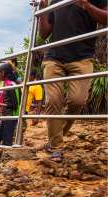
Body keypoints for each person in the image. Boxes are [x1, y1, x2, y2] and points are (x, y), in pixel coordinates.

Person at [38, 0, 107, 162]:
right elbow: (44, 34)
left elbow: (106, 19)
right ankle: (56, 147)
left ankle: (55, 138)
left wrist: (86, 5)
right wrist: (42, 9)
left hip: (82, 58)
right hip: (53, 57)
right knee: (53, 100)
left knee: (77, 101)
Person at [0, 63, 20, 154]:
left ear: (3, 73)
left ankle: (5, 161)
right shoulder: (9, 84)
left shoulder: (10, 86)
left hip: (10, 117)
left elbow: (13, 105)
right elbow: (9, 100)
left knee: (7, 141)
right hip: (6, 116)